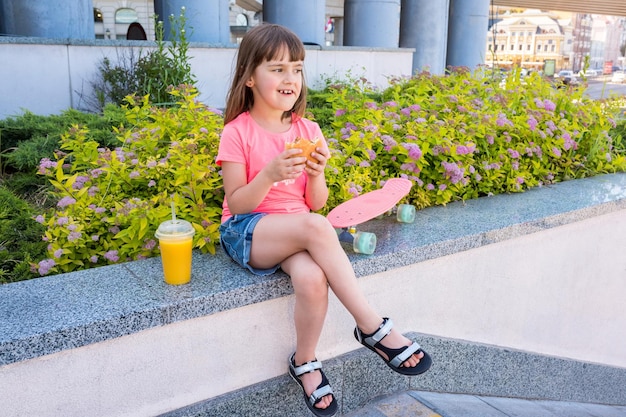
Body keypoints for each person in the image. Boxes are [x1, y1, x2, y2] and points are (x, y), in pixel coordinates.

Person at [216, 23, 432, 417]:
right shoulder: (237, 132)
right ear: (249, 77)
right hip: (247, 231)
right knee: (316, 227)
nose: (290, 78)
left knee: (313, 279)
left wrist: (315, 172)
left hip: (296, 227)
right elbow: (237, 202)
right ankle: (371, 327)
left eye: (296, 68)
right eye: (277, 68)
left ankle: (305, 361)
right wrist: (268, 175)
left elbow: (315, 202)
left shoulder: (307, 129)